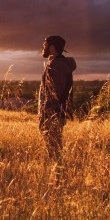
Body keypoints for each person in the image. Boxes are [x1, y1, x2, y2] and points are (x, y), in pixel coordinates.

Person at [39, 35, 77, 165]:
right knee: (54, 146)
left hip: (53, 113)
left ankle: (58, 176)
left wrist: (47, 113)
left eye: (45, 45)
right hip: (55, 113)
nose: (43, 48)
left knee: (54, 148)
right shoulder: (57, 63)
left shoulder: (56, 65)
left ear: (52, 47)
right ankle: (57, 173)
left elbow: (55, 93)